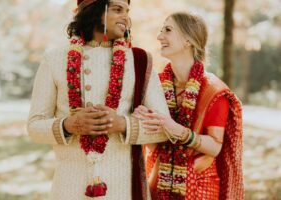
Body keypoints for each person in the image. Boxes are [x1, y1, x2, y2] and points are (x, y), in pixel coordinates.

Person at [27, 0, 170, 199]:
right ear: (93, 11)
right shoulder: (54, 58)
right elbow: (34, 127)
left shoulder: (140, 61)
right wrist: (70, 124)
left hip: (122, 187)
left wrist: (121, 124)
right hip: (69, 187)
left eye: (127, 11)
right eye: (117, 9)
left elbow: (164, 128)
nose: (126, 17)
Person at [133, 12, 244, 200]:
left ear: (188, 40)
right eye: (161, 30)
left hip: (200, 188)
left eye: (167, 30)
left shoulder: (213, 91)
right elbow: (155, 147)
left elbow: (215, 147)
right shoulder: (155, 85)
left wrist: (179, 131)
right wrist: (143, 121)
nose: (160, 36)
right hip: (160, 183)